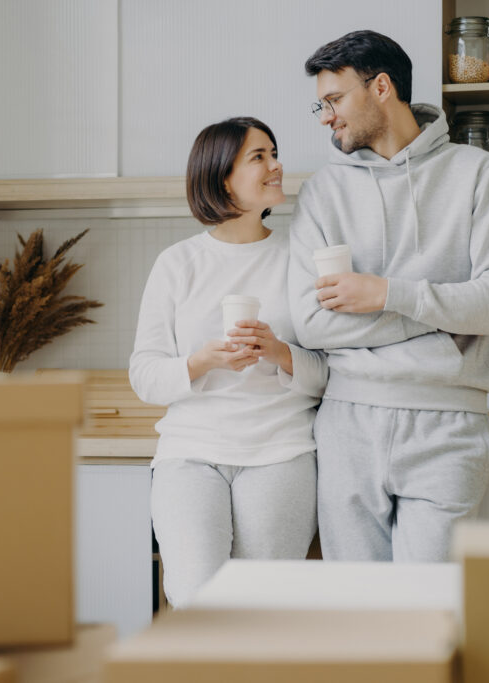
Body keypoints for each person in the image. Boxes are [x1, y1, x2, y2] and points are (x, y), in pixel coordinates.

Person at [288, 31, 489, 562]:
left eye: (334, 101)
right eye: (320, 104)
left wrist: (385, 293)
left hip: (449, 426)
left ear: (380, 87)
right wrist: (445, 315)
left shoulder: (477, 174)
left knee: (431, 613)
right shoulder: (323, 192)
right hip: (348, 421)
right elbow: (311, 325)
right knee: (359, 617)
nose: (325, 117)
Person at [130, 117, 328, 607]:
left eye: (273, 153)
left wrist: (280, 353)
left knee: (263, 606)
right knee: (196, 599)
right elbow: (145, 375)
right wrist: (200, 361)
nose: (277, 165)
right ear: (222, 176)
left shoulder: (302, 260)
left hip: (281, 452)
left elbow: (330, 373)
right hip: (191, 452)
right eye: (259, 156)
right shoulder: (177, 263)